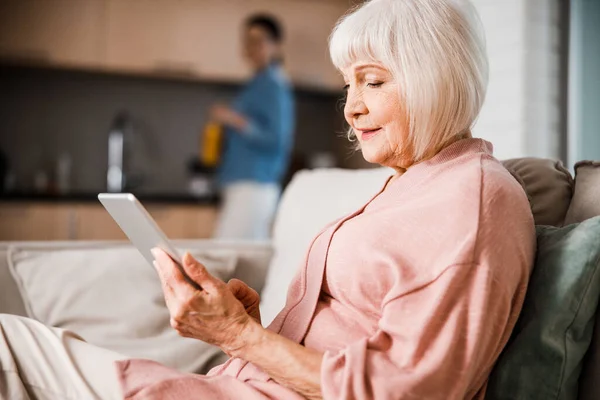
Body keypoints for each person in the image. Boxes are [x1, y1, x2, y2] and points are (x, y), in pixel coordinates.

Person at [0, 0, 536, 399]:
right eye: (349, 85)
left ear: (433, 82)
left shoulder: (472, 204)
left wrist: (237, 336)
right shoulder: (413, 182)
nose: (350, 109)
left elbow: (405, 389)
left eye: (372, 82)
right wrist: (250, 330)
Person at [210, 14, 295, 241]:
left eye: (259, 40)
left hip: (255, 185)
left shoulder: (274, 85)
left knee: (228, 258)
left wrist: (234, 119)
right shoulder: (255, 85)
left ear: (275, 45)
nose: (251, 47)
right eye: (247, 41)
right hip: (242, 183)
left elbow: (276, 139)